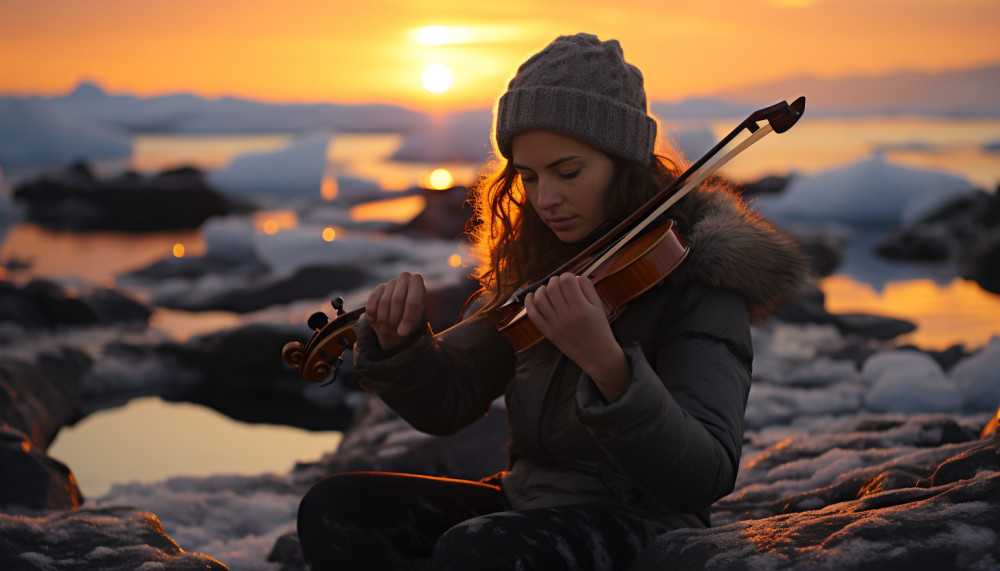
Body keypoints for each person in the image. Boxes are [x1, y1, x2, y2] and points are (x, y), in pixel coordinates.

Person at [297, 33, 810, 570]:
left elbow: (701, 477)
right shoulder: (545, 264)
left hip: (643, 524)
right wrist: (402, 347)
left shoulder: (698, 280)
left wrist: (609, 366)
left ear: (622, 161)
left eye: (568, 173)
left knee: (477, 550)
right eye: (529, 177)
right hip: (526, 505)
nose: (545, 199)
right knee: (337, 508)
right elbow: (450, 399)